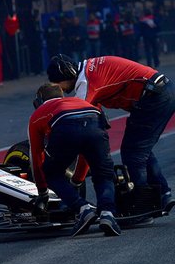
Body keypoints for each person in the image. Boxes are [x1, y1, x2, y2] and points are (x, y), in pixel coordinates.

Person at [47, 54, 175, 214]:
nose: (62, 91)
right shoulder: (89, 71)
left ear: (67, 74)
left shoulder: (85, 82)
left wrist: (76, 179)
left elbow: (79, 123)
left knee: (133, 153)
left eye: (60, 85)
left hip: (154, 96)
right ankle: (164, 194)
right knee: (140, 148)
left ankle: (144, 206)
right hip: (159, 92)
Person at [28, 83, 120, 237]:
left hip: (65, 126)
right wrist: (77, 180)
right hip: (94, 122)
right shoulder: (82, 102)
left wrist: (42, 191)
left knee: (52, 173)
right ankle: (108, 214)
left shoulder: (38, 114)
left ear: (38, 101)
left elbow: (37, 157)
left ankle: (83, 209)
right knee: (104, 173)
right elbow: (85, 155)